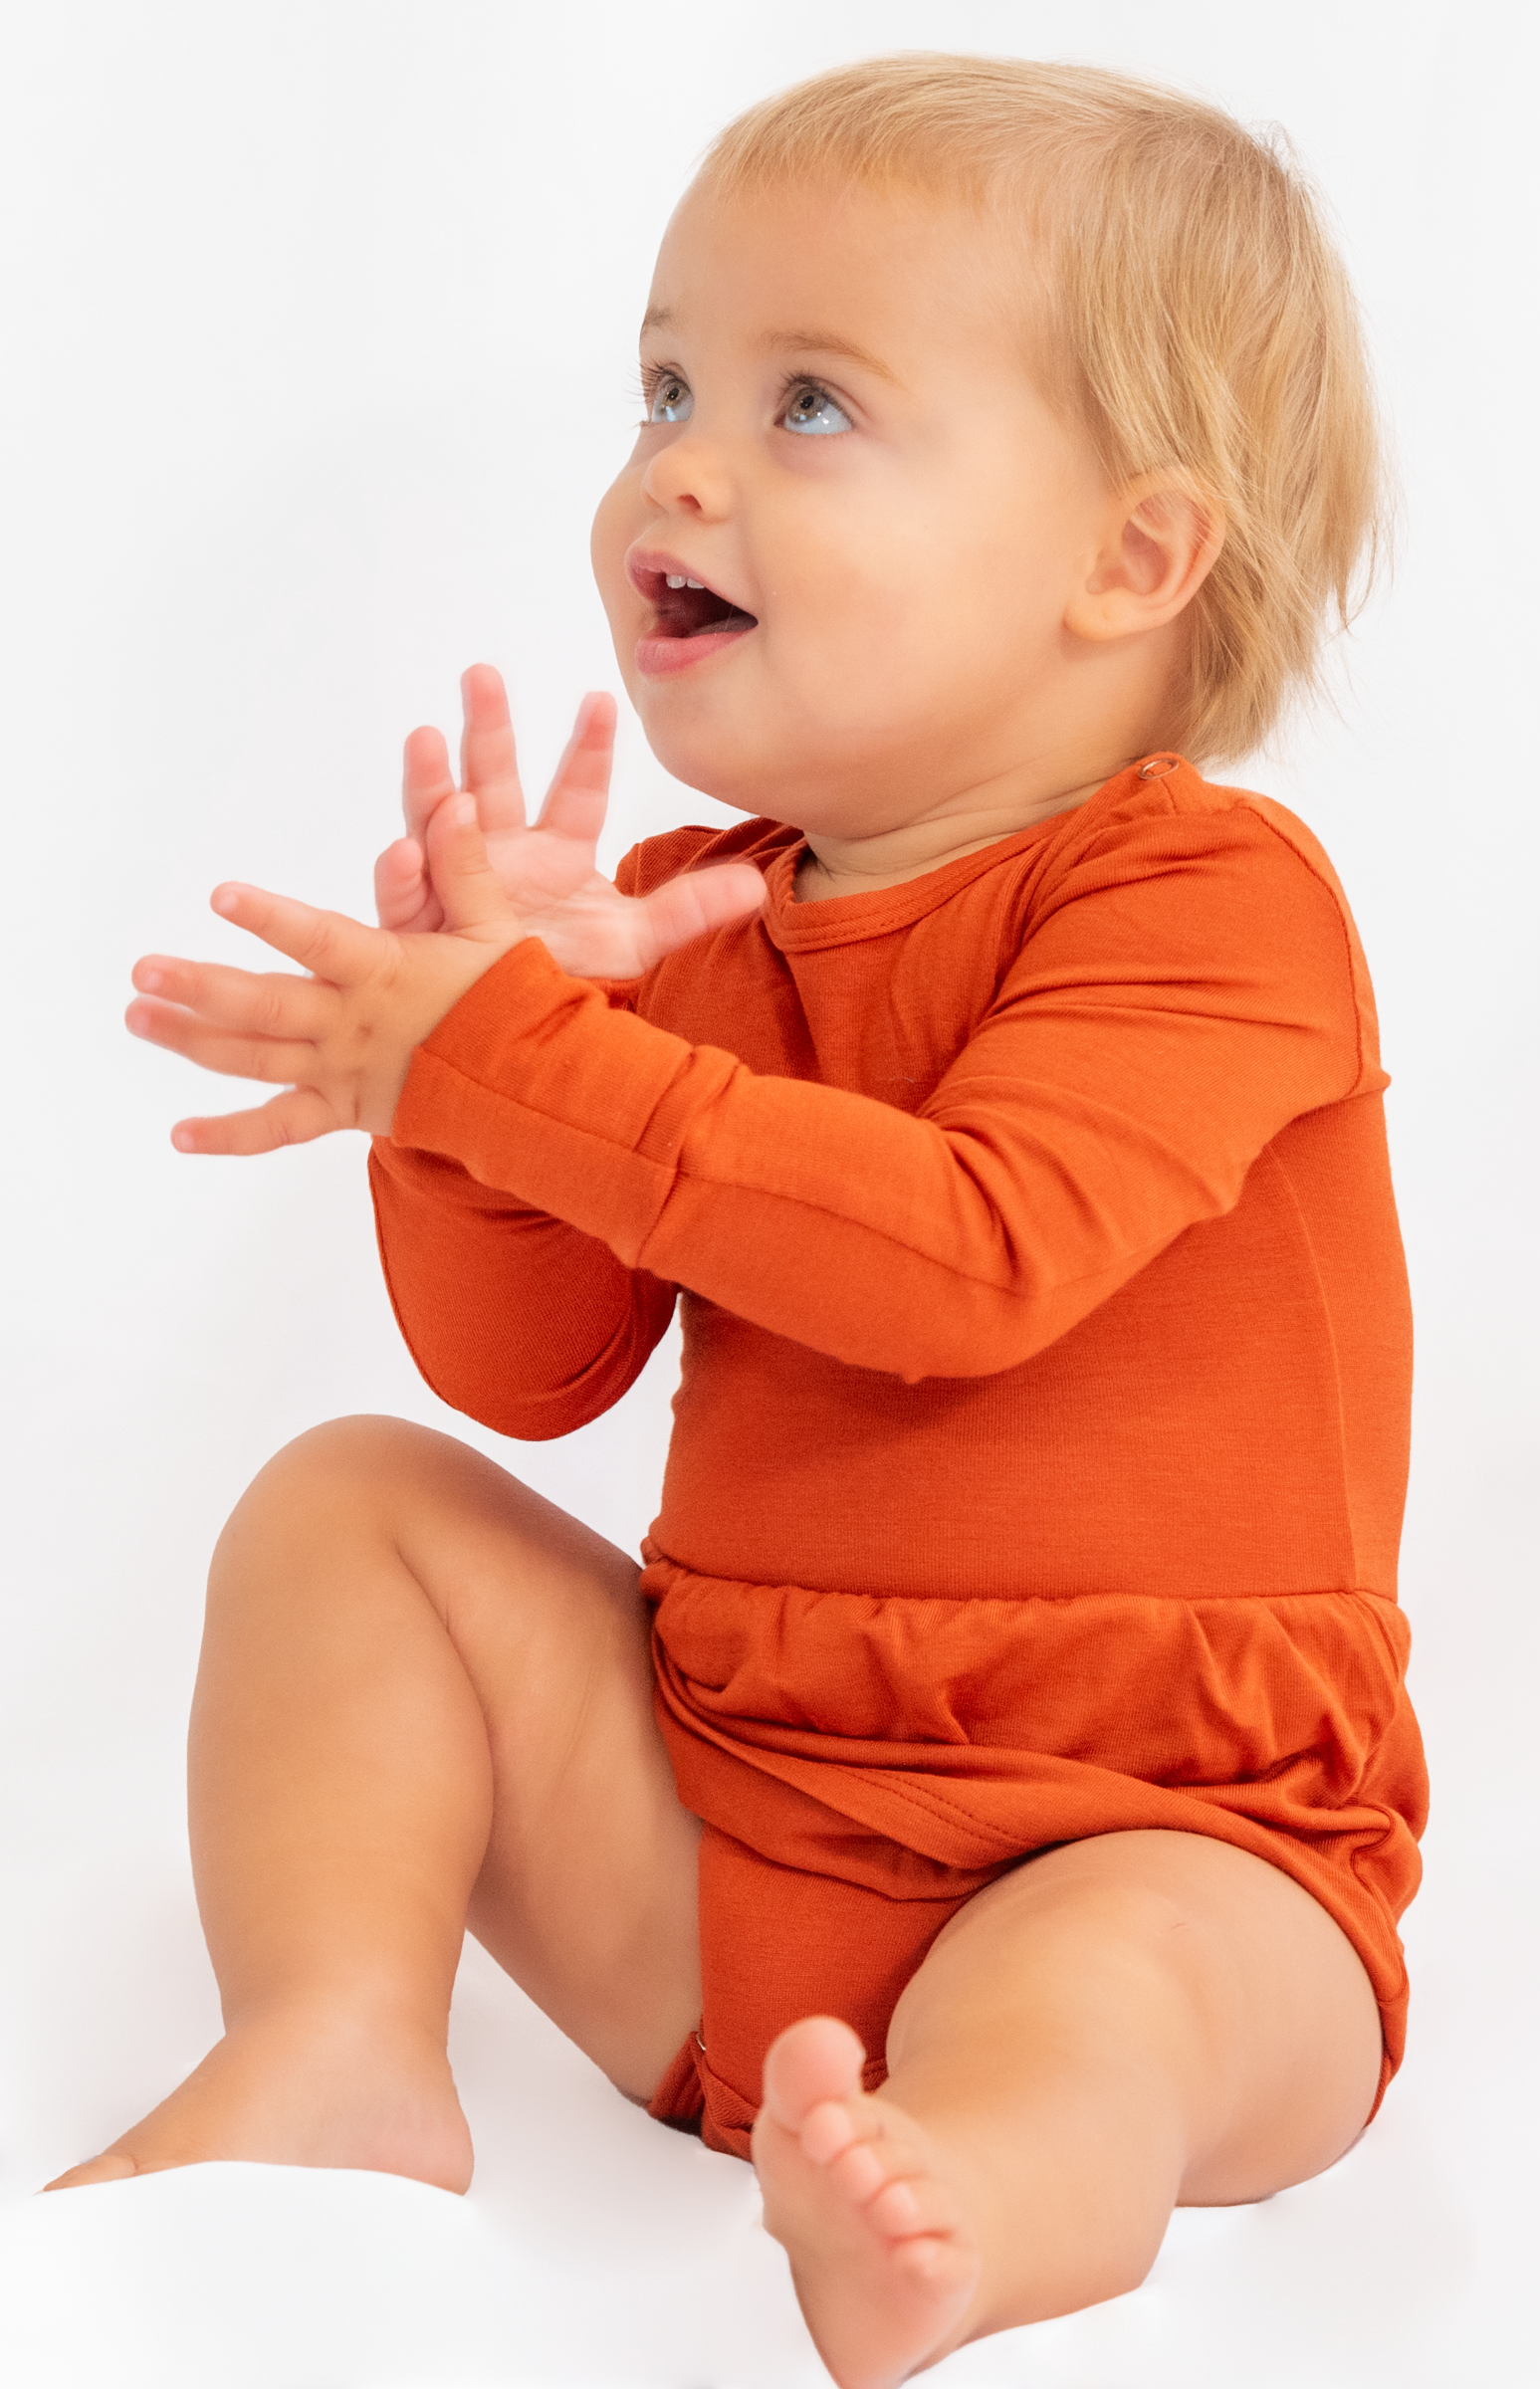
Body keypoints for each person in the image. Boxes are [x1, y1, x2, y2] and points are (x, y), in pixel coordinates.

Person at [54, 54, 1429, 2389]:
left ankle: (966, 2209)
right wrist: (471, 1092)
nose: (674, 465)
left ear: (1131, 559)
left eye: (811, 404)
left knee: (1121, 1989)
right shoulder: (691, 925)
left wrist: (526, 1058)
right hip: (727, 1848)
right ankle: (337, 2050)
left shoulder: (1204, 896)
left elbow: (966, 1256)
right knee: (345, 1512)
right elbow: (528, 1370)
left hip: (1164, 1839)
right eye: (668, 381)